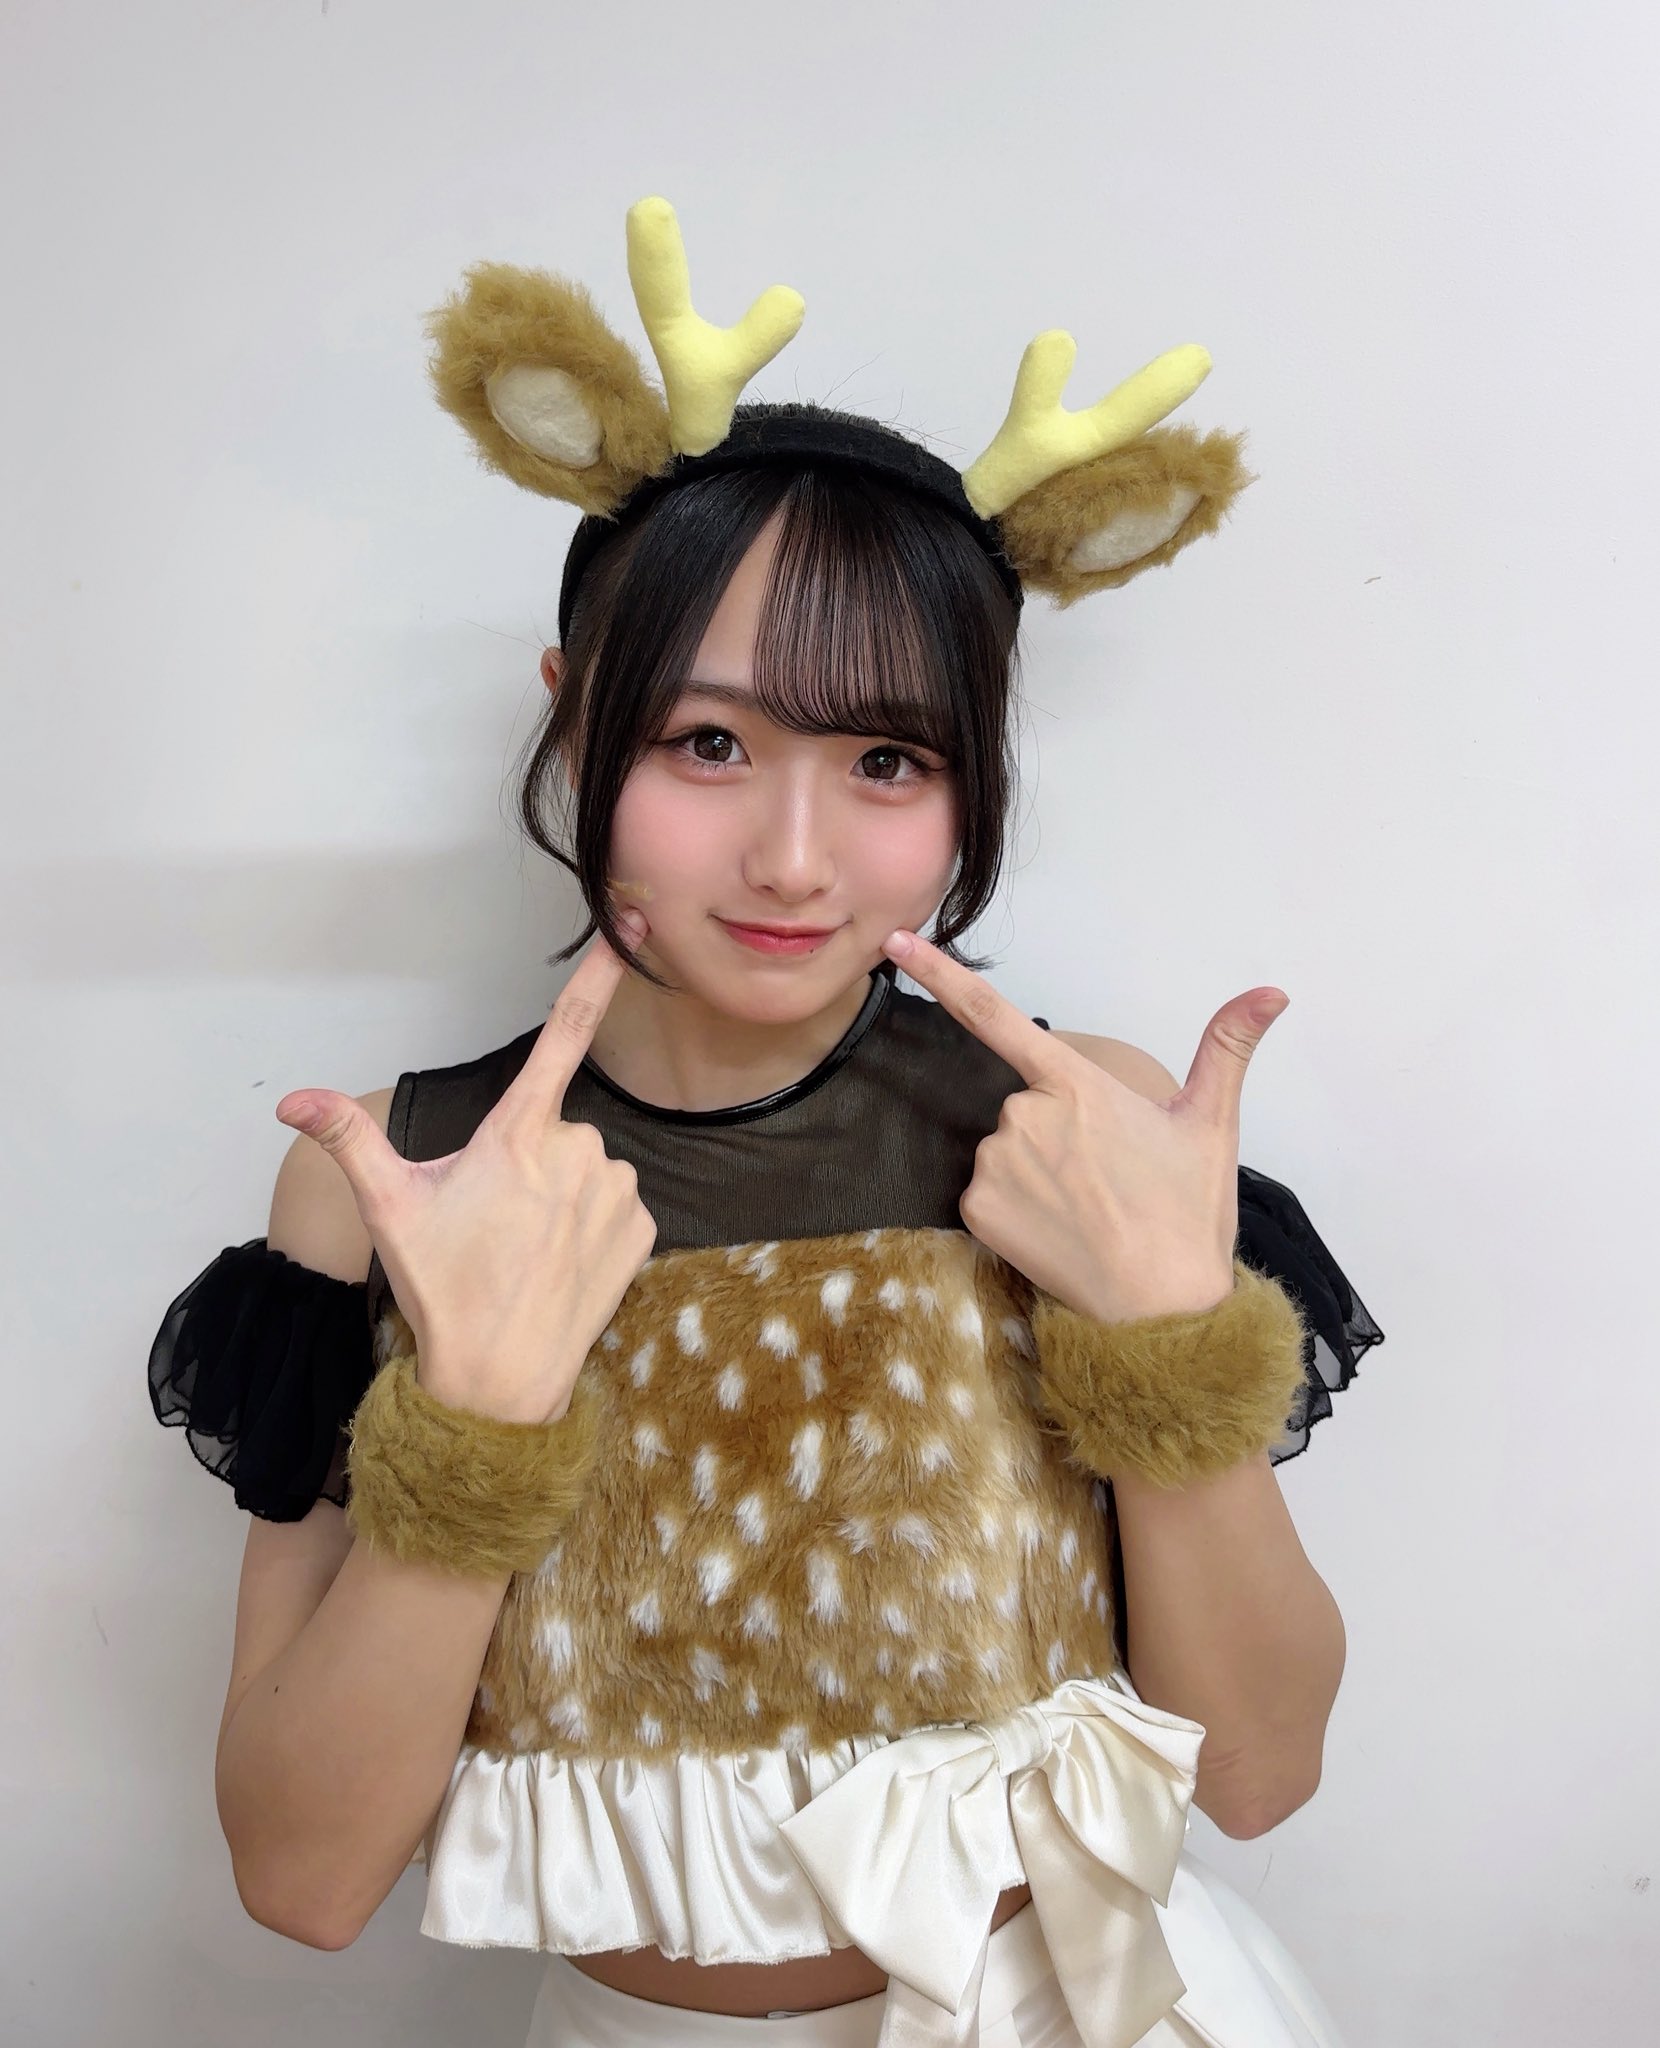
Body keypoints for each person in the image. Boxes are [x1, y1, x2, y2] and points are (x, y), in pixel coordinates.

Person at [149, 198, 1385, 2047]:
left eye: (888, 760)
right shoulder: (398, 1188)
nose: (795, 860)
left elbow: (1263, 1773)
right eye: (708, 744)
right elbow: (304, 1879)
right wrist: (473, 1430)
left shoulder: (1079, 1128)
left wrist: (1165, 1351)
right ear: (577, 724)